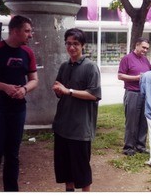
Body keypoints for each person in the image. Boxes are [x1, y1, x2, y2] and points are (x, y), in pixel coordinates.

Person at [0, 15, 38, 191]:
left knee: (13, 154)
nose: (30, 35)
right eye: (27, 31)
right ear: (14, 31)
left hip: (18, 110)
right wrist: (4, 87)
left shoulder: (28, 53)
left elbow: (34, 79)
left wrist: (24, 89)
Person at [52, 28, 101, 192]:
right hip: (62, 126)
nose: (71, 47)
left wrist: (69, 91)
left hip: (80, 129)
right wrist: (59, 90)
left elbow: (94, 95)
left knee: (82, 171)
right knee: (65, 171)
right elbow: (60, 88)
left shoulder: (90, 67)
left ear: (83, 46)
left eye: (75, 44)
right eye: (68, 43)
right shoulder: (64, 66)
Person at [118, 37, 151, 156]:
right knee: (131, 121)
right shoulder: (127, 58)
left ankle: (140, 146)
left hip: (145, 94)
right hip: (132, 93)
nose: (145, 50)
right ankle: (128, 147)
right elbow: (120, 76)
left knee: (144, 121)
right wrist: (137, 78)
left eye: (147, 48)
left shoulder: (146, 60)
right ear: (137, 45)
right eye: (143, 47)